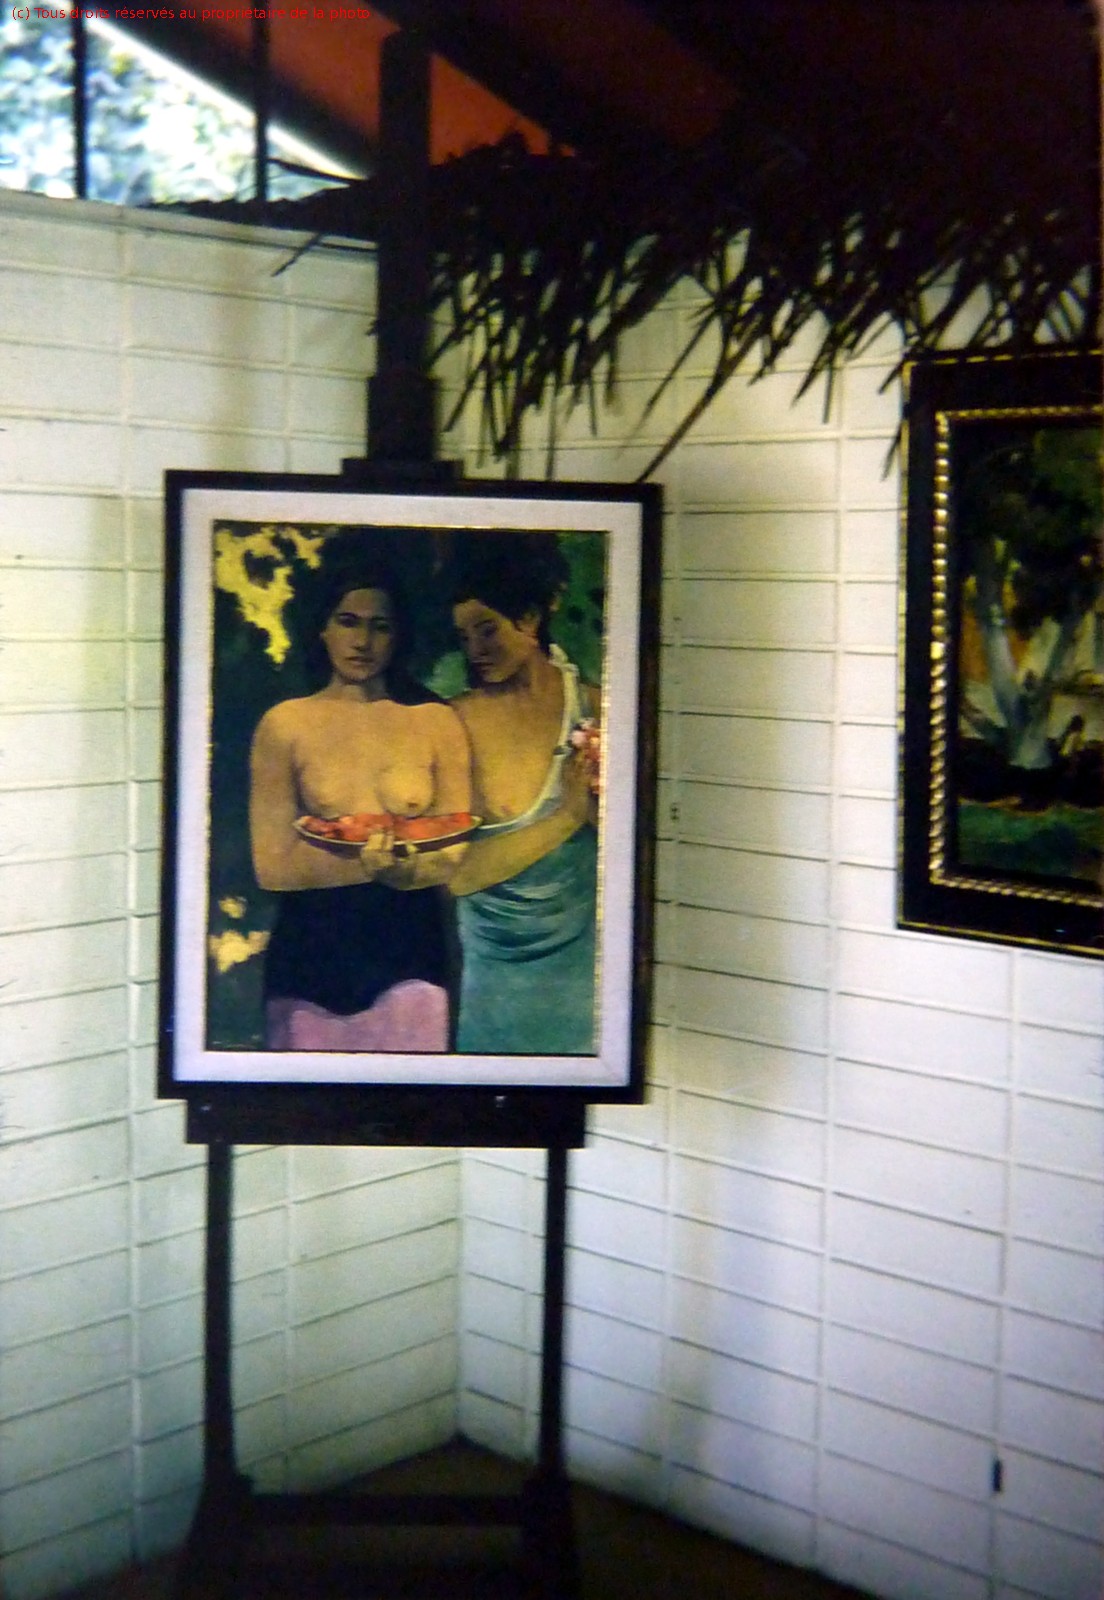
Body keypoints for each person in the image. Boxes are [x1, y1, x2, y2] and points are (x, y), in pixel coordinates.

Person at [249, 543, 472, 1052]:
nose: (363, 641)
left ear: (399, 636)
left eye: (381, 626)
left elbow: (454, 847)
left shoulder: (436, 723)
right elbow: (273, 867)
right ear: (323, 628)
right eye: (348, 621)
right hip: (309, 957)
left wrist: (405, 872)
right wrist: (377, 864)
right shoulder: (284, 724)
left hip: (411, 955)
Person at [447, 533, 600, 1055]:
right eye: (464, 636)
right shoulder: (458, 722)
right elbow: (460, 873)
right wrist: (567, 817)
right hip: (495, 990)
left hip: (582, 980)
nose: (475, 650)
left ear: (530, 618)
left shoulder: (594, 707)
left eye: (487, 629)